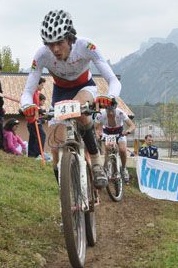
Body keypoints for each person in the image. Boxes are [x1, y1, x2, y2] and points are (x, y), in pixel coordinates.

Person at [20, 10, 122, 189]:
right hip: (60, 93)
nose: (56, 49)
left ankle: (96, 161)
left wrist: (110, 96)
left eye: (59, 42)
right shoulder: (42, 55)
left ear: (69, 38)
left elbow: (113, 80)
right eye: (50, 44)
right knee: (54, 146)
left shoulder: (85, 46)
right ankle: (66, 194)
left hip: (84, 87)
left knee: (79, 108)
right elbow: (28, 91)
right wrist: (27, 106)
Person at [95, 105, 136, 183]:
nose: (110, 113)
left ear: (115, 109)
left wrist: (128, 131)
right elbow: (95, 128)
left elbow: (132, 125)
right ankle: (106, 167)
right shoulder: (100, 114)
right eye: (108, 111)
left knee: (122, 149)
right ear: (105, 109)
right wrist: (98, 134)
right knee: (107, 148)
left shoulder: (120, 112)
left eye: (112, 111)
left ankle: (124, 169)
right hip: (107, 132)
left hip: (119, 132)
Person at [27, 77, 46, 157]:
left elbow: (36, 106)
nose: (42, 87)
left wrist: (40, 111)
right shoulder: (32, 93)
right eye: (41, 85)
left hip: (36, 118)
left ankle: (32, 155)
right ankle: (37, 154)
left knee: (34, 137)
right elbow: (31, 104)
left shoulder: (37, 93)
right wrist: (38, 109)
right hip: (32, 118)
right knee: (41, 135)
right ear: (37, 84)